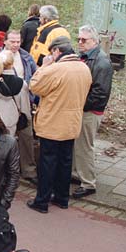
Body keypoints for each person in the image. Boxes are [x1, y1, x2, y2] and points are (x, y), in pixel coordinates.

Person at [27, 36, 92, 213]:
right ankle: (62, 198)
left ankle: (42, 201)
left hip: (52, 124)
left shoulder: (55, 69)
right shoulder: (84, 68)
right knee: (65, 162)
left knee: (47, 162)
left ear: (56, 51)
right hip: (72, 124)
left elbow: (34, 86)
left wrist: (44, 66)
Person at [0, 30, 38, 183]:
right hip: (11, 109)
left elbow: (35, 76)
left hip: (20, 105)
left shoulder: (26, 57)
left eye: (18, 41)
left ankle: (28, 169)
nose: (15, 45)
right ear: (5, 42)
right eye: (12, 41)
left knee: (26, 137)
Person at [71, 25, 113, 199]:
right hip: (83, 108)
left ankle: (88, 182)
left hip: (89, 111)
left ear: (94, 41)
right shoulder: (85, 57)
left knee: (84, 146)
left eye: (84, 40)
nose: (80, 42)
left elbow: (100, 93)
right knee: (77, 145)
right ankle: (77, 174)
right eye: (79, 39)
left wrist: (81, 105)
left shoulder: (101, 62)